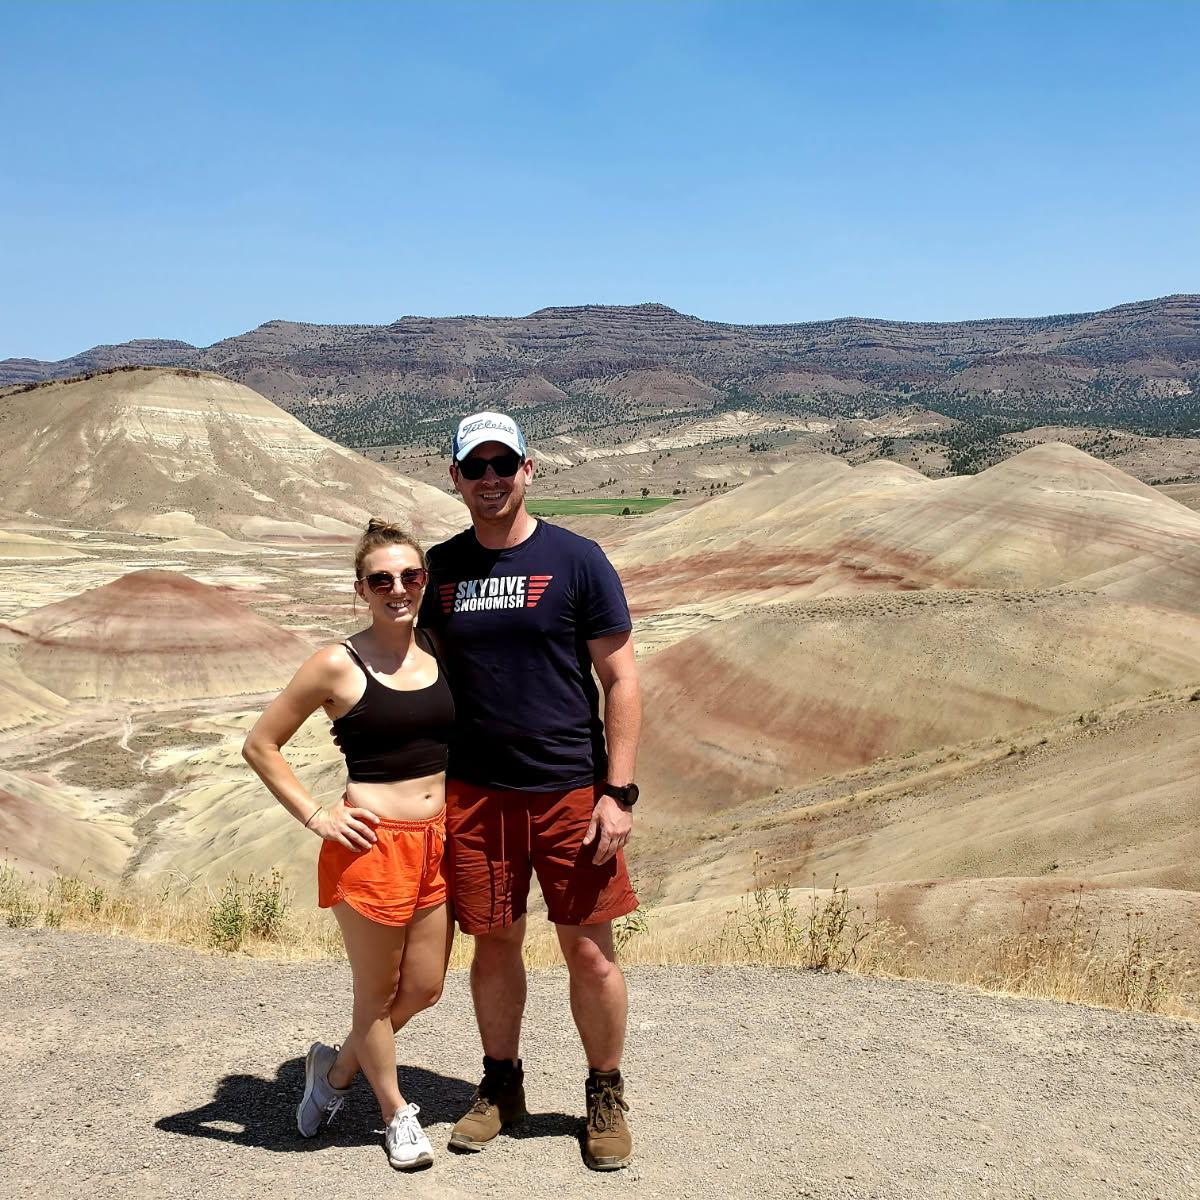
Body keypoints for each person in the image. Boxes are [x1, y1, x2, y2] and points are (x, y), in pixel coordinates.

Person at [418, 411, 642, 1171]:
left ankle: (604, 1093)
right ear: (454, 478)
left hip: (569, 790)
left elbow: (621, 679)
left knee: (589, 952)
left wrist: (619, 792)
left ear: (529, 470)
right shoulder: (442, 569)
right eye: (474, 468)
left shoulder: (578, 559)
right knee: (494, 941)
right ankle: (500, 1084)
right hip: (476, 792)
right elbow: (418, 672)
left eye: (502, 465)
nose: (490, 479)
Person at [241, 520, 453, 1172]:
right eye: (381, 579)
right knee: (375, 993)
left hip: (435, 844)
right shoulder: (339, 662)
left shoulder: (438, 649)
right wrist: (315, 815)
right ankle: (395, 1115)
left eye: (410, 576)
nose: (397, 589)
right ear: (361, 588)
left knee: (423, 987)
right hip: (371, 848)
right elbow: (260, 743)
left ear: (424, 581)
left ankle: (331, 1077)